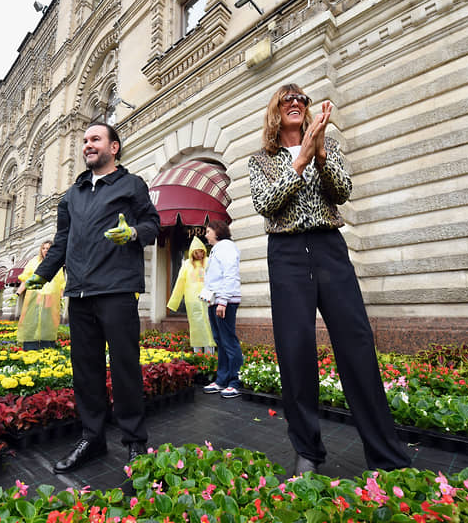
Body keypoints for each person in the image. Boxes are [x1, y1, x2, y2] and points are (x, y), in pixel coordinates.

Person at [248, 84, 410, 476]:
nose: (295, 103)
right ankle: (308, 451)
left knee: (357, 344)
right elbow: (265, 204)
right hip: (286, 254)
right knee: (295, 350)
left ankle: (385, 455)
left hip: (329, 248)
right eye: (287, 99)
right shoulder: (260, 160)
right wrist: (299, 161)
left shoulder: (329, 148)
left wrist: (319, 154)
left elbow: (342, 191)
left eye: (301, 99)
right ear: (275, 112)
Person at [25, 121, 160, 473]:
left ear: (113, 147)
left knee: (125, 368)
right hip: (80, 293)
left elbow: (153, 224)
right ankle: (92, 438)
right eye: (84, 140)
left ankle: (135, 443)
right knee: (86, 372)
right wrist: (40, 276)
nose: (87, 145)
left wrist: (132, 233)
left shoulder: (132, 185)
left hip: (117, 290)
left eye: (95, 139)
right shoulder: (72, 194)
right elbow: (62, 241)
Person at [200, 220, 243, 399]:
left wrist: (223, 301)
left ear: (217, 232)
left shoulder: (226, 247)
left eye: (208, 231)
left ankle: (235, 382)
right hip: (215, 301)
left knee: (228, 340)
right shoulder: (218, 249)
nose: (206, 234)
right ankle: (222, 380)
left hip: (224, 301)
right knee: (221, 340)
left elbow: (230, 274)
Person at [166, 236, 215, 354]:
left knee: (208, 324)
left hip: (207, 298)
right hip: (192, 300)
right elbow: (180, 283)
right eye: (196, 252)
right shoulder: (187, 264)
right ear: (192, 253)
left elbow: (215, 278)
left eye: (201, 252)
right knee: (196, 327)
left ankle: (209, 353)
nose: (199, 255)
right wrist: (174, 302)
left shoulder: (209, 262)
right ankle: (197, 353)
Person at [16, 240, 66, 351]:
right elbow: (26, 279)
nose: (45, 251)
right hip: (34, 298)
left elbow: (60, 282)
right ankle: (30, 348)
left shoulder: (56, 265)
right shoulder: (33, 262)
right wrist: (17, 293)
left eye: (48, 248)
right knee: (31, 322)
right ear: (40, 250)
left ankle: (47, 349)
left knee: (48, 324)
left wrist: (61, 299)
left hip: (50, 299)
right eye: (44, 248)